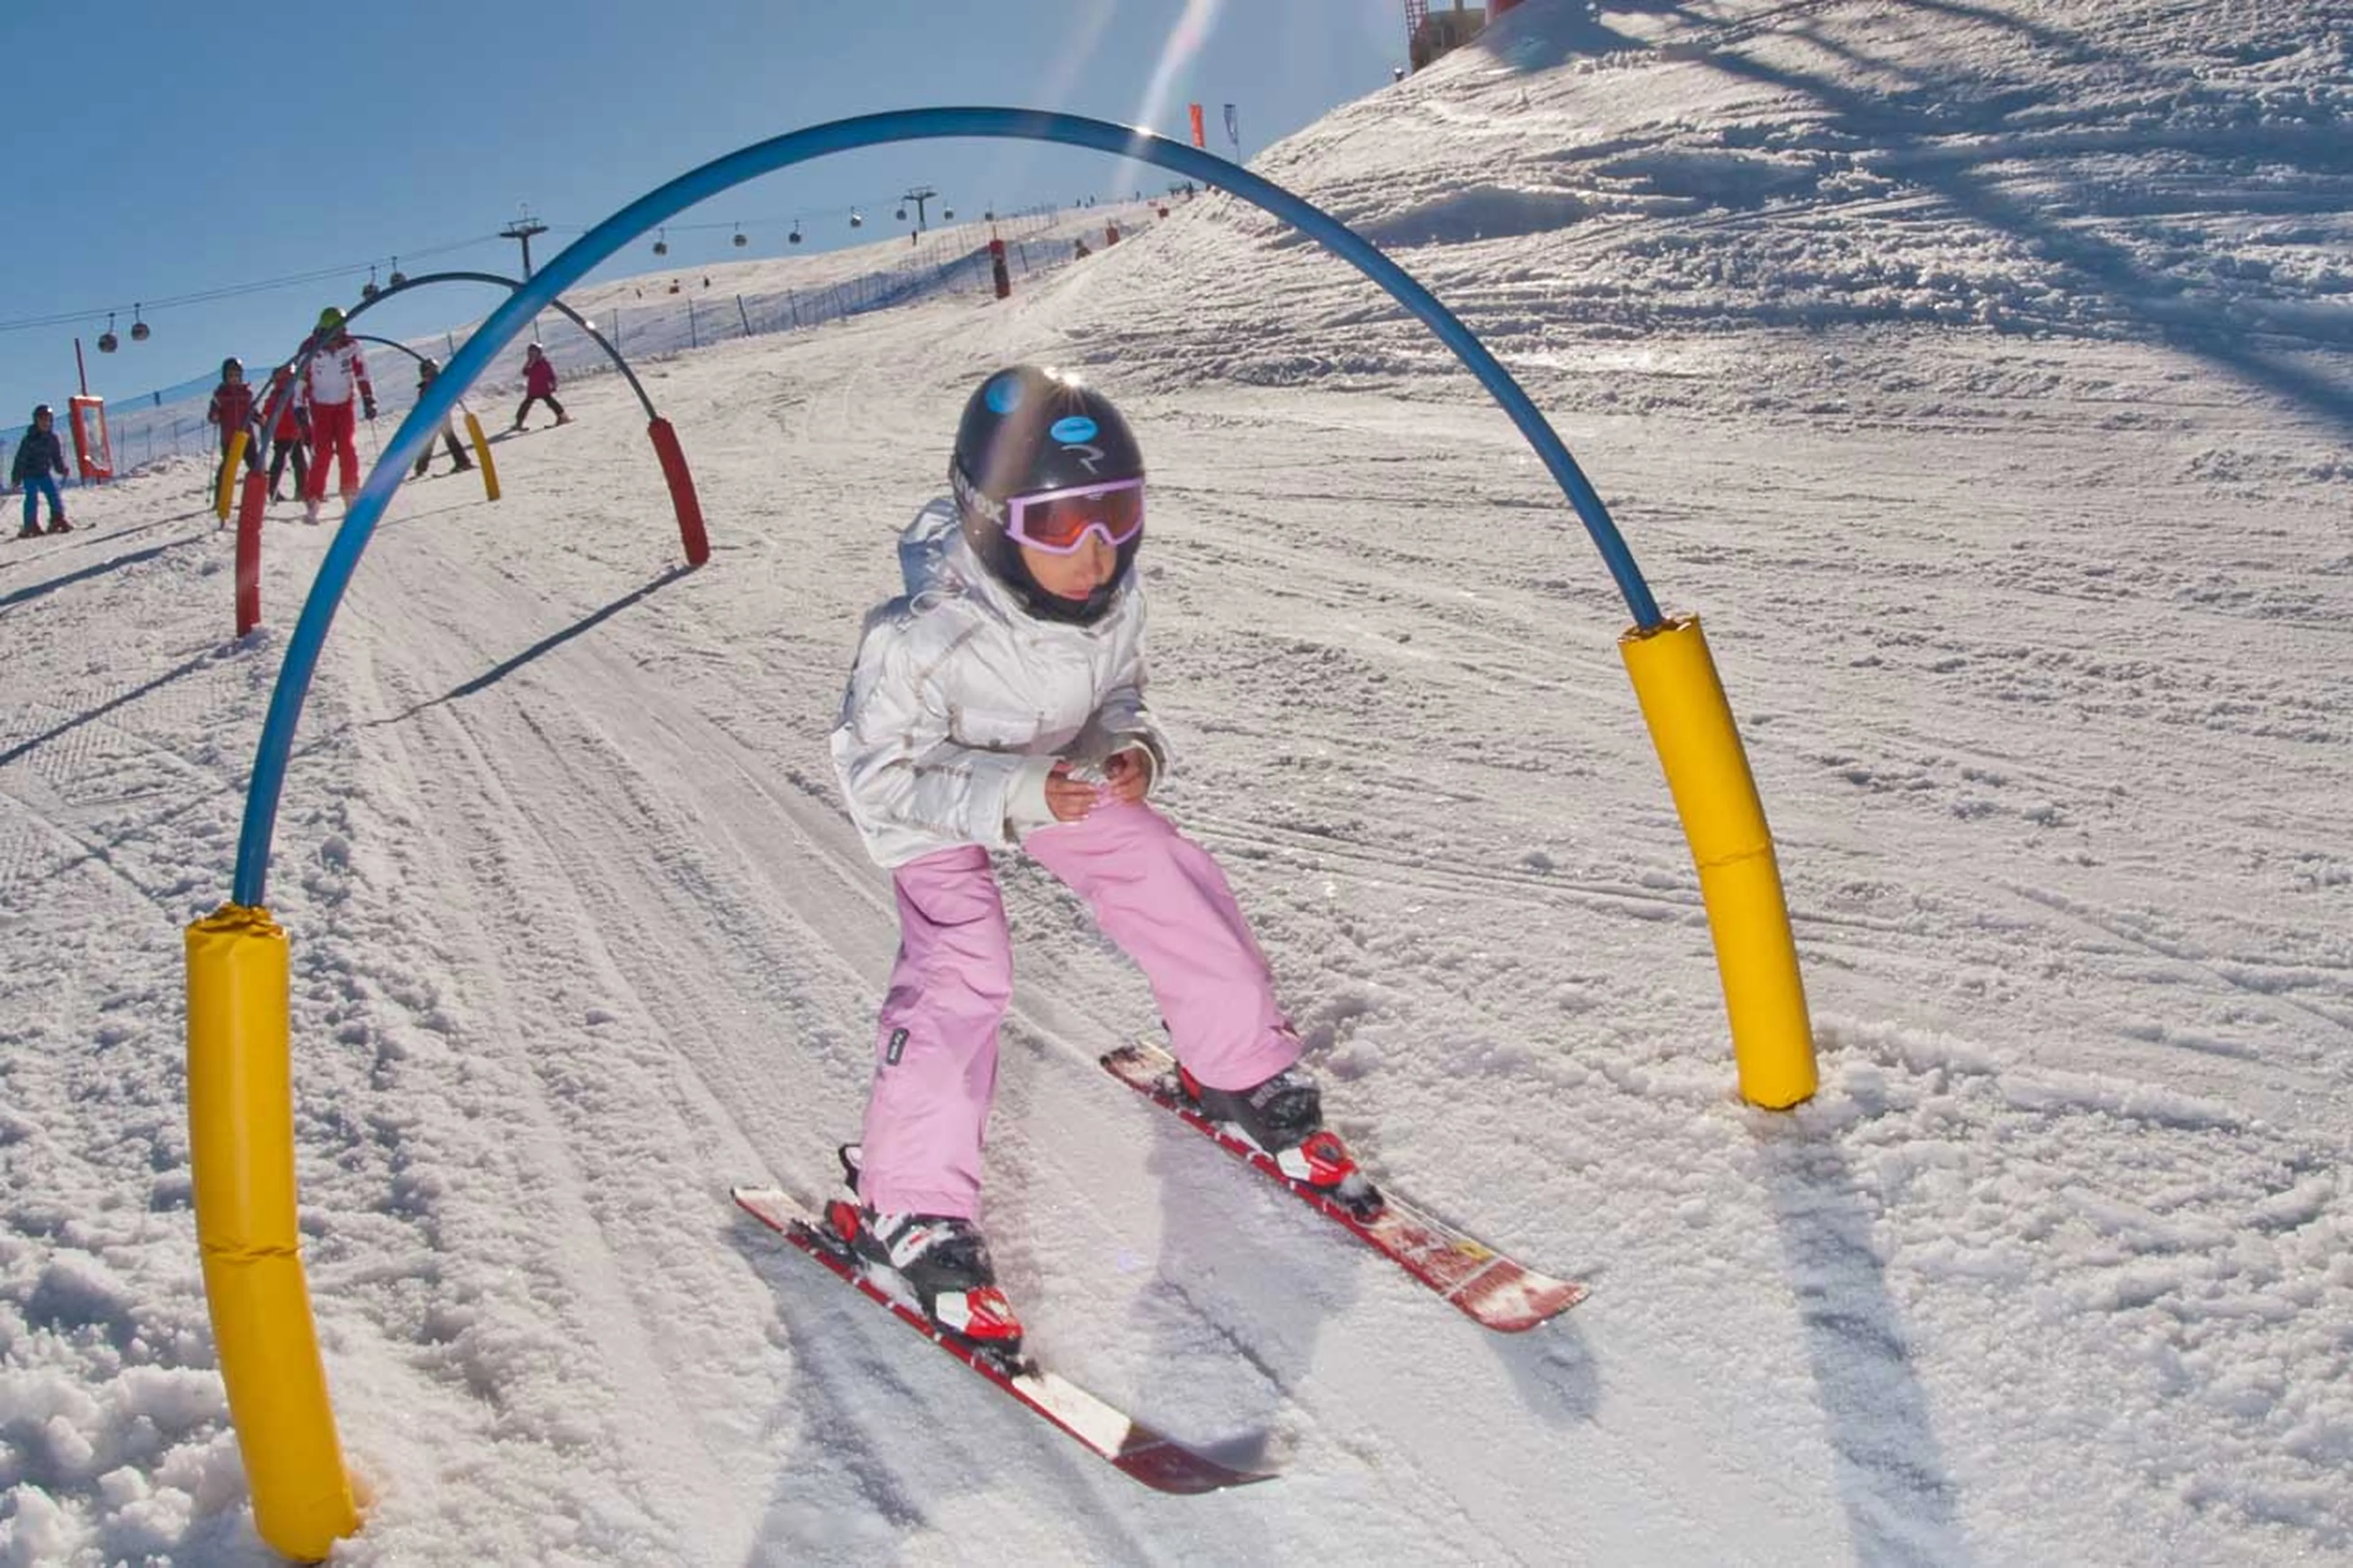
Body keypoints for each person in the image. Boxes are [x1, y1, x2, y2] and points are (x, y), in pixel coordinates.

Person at [824, 365, 1353, 1356]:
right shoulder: (919, 638)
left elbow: (1120, 692)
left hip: (1058, 772)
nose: (1095, 551)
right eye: (1062, 524)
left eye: (1115, 514)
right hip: (936, 801)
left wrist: (1128, 745)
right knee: (964, 967)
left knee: (1161, 863)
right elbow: (879, 777)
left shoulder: (1111, 599)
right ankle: (908, 1204)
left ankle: (1237, 1066)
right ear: (992, 521)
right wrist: (1015, 791)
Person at [299, 306, 375, 524]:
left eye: (342, 330)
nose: (338, 337)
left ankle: (350, 495)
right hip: (320, 406)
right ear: (324, 330)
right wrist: (299, 406)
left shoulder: (350, 345)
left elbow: (361, 371)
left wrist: (368, 398)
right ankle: (314, 499)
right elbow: (300, 380)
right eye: (334, 332)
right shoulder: (310, 349)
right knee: (322, 452)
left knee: (347, 448)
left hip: (344, 404)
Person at [10, 403, 71, 537]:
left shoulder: (52, 439)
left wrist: (61, 469)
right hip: (29, 474)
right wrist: (16, 478)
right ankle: (30, 524)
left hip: (44, 473)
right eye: (42, 420)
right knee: (32, 496)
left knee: (53, 493)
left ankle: (57, 518)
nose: (45, 423)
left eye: (48, 420)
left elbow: (56, 457)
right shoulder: (29, 439)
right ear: (36, 421)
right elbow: (20, 460)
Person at [205, 356, 260, 505]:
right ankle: (221, 499)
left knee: (255, 465)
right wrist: (214, 416)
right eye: (231, 375)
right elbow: (213, 413)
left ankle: (256, 497)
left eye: (237, 375)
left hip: (247, 436)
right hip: (230, 438)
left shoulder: (246, 394)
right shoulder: (221, 395)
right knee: (228, 469)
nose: (234, 378)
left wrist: (259, 418)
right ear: (225, 377)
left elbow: (252, 411)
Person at [409, 358, 475, 479]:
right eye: (426, 373)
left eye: (431, 372)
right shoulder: (427, 386)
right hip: (432, 417)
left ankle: (462, 462)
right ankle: (462, 462)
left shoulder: (439, 384)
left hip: (441, 415)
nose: (428, 375)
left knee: (439, 440)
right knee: (434, 441)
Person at [262, 366, 310, 502]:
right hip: (292, 434)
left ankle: (274, 491)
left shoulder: (274, 397)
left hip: (282, 434)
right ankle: (301, 490)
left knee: (279, 463)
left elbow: (266, 414)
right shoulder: (294, 394)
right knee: (299, 464)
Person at [512, 344, 569, 431]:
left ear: (539, 353)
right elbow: (525, 373)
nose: (532, 355)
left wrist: (554, 384)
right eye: (530, 353)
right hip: (533, 389)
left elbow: (551, 375)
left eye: (534, 352)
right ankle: (518, 423)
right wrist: (530, 364)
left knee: (551, 403)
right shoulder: (530, 363)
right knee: (525, 406)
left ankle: (563, 417)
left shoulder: (544, 363)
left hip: (543, 388)